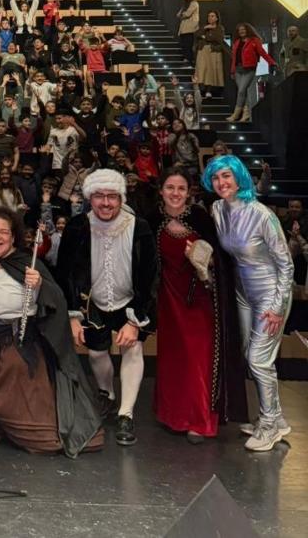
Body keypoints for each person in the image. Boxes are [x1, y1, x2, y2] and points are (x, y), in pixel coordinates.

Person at [0, 211, 104, 456]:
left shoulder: (28, 265)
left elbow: (55, 299)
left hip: (17, 344)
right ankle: (1, 427)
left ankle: (20, 427)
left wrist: (39, 285)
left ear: (13, 236)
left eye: (3, 232)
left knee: (16, 395)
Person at [55, 169, 157, 446]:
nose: (106, 203)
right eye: (99, 196)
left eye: (112, 196)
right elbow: (64, 273)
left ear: (121, 197)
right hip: (92, 302)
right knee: (97, 352)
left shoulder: (140, 226)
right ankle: (106, 395)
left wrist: (136, 319)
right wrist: (73, 315)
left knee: (132, 348)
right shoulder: (77, 226)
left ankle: (126, 413)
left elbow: (150, 276)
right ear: (90, 198)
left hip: (130, 301)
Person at [203, 155, 294, 451]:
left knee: (259, 359)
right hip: (242, 292)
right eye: (216, 178)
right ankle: (276, 418)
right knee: (249, 355)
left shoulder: (262, 214)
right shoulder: (217, 209)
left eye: (226, 176)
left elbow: (286, 265)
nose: (221, 183)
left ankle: (268, 425)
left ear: (239, 177)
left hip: (270, 291)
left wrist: (278, 306)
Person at [153, 168, 248, 443]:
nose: (175, 193)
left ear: (189, 192)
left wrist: (204, 261)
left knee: (198, 360)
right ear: (162, 190)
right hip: (168, 301)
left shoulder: (200, 218)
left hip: (200, 300)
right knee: (174, 359)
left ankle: (200, 420)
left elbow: (222, 260)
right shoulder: (152, 218)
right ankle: (174, 416)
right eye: (170, 187)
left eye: (181, 188)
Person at [227, 23, 275, 122]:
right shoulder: (236, 42)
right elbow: (234, 58)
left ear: (248, 30)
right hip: (237, 70)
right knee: (243, 92)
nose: (241, 31)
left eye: (243, 29)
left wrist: (271, 62)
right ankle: (246, 114)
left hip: (249, 69)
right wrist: (232, 71)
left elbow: (262, 53)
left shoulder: (254, 41)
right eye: (240, 30)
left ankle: (236, 114)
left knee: (241, 91)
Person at [193, 10, 226, 97]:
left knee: (211, 71)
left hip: (213, 51)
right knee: (201, 70)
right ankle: (200, 90)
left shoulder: (219, 28)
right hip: (203, 50)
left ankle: (209, 90)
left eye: (212, 16)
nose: (210, 18)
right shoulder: (204, 27)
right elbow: (197, 34)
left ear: (216, 18)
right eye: (209, 16)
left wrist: (205, 37)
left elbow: (218, 39)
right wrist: (204, 29)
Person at [176, 0, 199, 64]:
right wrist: (182, 15)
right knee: (184, 44)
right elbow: (178, 15)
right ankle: (185, 58)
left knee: (188, 44)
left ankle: (189, 59)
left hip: (190, 28)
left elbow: (187, 14)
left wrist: (182, 15)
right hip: (184, 28)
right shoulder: (185, 4)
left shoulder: (194, 3)